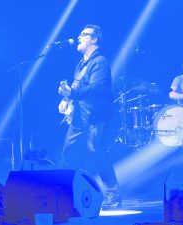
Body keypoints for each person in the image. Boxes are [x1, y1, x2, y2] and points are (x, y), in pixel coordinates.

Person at [58, 24, 121, 208]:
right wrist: (66, 98)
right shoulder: (81, 64)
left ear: (94, 39)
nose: (79, 37)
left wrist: (72, 93)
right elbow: (76, 89)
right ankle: (78, 188)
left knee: (96, 151)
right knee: (69, 151)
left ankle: (113, 195)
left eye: (83, 34)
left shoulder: (100, 61)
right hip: (80, 116)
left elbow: (96, 88)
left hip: (95, 116)